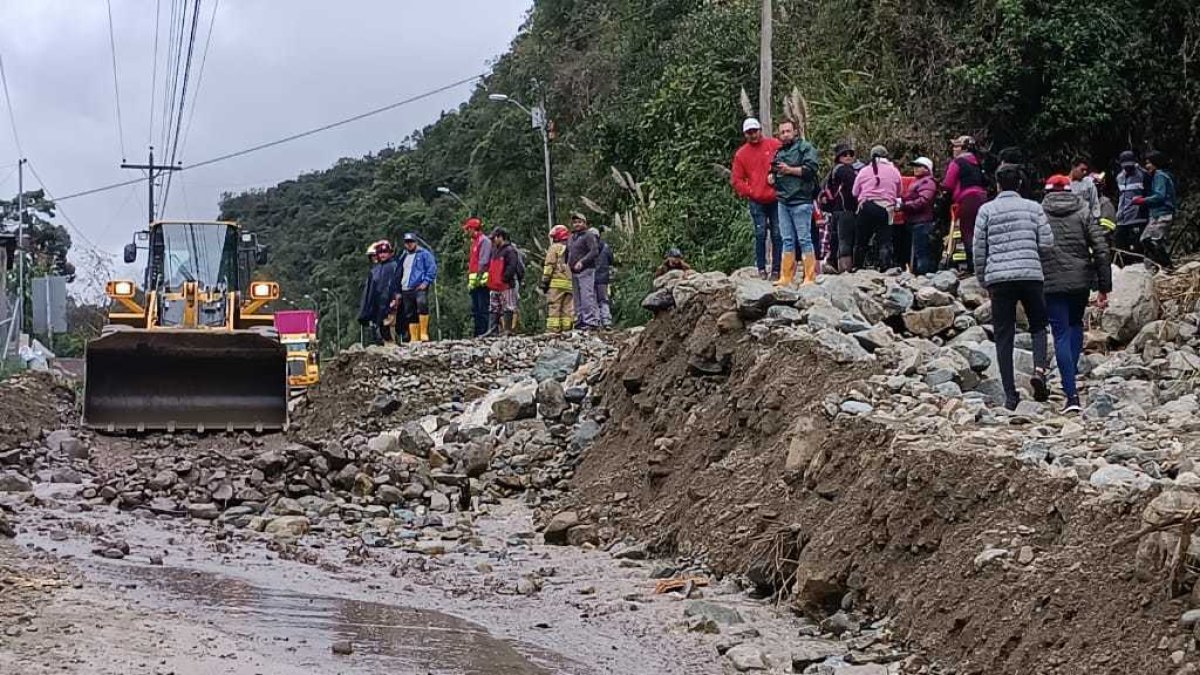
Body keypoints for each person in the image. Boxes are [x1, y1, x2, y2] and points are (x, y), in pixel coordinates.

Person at [973, 167, 1055, 410]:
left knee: (1003, 334)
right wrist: (1032, 255)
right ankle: (1039, 371)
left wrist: (982, 279)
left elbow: (978, 249)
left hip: (999, 278)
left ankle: (1010, 395)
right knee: (1039, 325)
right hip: (1030, 275)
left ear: (997, 184)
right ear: (1019, 183)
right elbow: (1048, 243)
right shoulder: (1033, 207)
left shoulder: (986, 210)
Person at [1040, 175, 1111, 414]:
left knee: (1059, 333)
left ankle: (1071, 394)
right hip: (1080, 280)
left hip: (1050, 280)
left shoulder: (1040, 212)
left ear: (1047, 191)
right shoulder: (1083, 210)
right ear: (1070, 190)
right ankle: (1072, 376)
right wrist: (1104, 286)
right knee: (1075, 324)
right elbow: (1101, 248)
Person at [731, 117, 783, 279]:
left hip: (775, 198)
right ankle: (761, 267)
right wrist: (751, 191)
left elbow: (785, 162)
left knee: (777, 233)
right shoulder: (741, 154)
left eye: (755, 131)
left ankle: (776, 269)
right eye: (749, 132)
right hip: (757, 200)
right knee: (760, 233)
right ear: (745, 134)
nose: (753, 135)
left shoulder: (774, 145)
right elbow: (736, 180)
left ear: (760, 130)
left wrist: (779, 180)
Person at [770, 118, 820, 286]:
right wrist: (772, 176)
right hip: (783, 200)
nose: (785, 135)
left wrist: (789, 170)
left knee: (804, 238)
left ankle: (810, 276)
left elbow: (810, 170)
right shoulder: (779, 152)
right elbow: (773, 171)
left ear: (795, 132)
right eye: (782, 132)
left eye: (788, 131)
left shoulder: (805, 148)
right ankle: (786, 276)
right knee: (787, 239)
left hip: (801, 200)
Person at [852, 145, 903, 271]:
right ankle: (885, 267)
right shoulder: (894, 171)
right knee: (884, 239)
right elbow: (899, 191)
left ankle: (857, 267)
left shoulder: (864, 171)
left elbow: (854, 192)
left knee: (861, 240)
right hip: (885, 209)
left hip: (866, 207)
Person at [942, 135, 989, 269]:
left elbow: (948, 184)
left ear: (963, 148)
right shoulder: (978, 163)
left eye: (956, 146)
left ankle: (972, 264)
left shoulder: (957, 162)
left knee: (967, 231)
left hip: (967, 199)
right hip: (982, 198)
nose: (953, 149)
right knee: (980, 231)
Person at [819, 143, 859, 272]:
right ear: (838, 157)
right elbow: (856, 187)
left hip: (835, 211)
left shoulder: (833, 170)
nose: (848, 156)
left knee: (835, 239)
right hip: (845, 210)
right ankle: (845, 269)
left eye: (850, 154)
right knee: (845, 240)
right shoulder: (845, 170)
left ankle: (832, 264)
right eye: (844, 154)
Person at [1134, 151, 1176, 270]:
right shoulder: (1163, 175)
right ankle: (1152, 268)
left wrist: (1142, 200)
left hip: (1162, 214)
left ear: (1156, 163)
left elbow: (1159, 196)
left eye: (1149, 163)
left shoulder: (1159, 175)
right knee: (1146, 240)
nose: (1147, 166)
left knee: (1152, 241)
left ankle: (1167, 267)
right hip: (1157, 214)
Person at [357, 239, 401, 346]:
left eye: (385, 252)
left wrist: (396, 298)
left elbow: (397, 284)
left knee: (389, 327)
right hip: (379, 307)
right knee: (381, 330)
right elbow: (371, 292)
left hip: (391, 304)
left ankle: (393, 349)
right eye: (380, 253)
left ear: (390, 253)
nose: (382, 255)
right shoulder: (375, 270)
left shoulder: (394, 266)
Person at [397, 233, 438, 342]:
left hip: (419, 286)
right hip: (406, 287)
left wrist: (426, 282)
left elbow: (432, 268)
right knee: (410, 312)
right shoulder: (403, 256)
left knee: (422, 305)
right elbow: (399, 271)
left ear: (416, 242)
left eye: (411, 242)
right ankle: (414, 336)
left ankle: (423, 332)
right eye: (407, 242)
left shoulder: (424, 254)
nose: (409, 244)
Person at [901, 157, 938, 274]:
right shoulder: (916, 182)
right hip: (914, 221)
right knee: (916, 252)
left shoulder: (928, 182)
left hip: (922, 222)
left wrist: (904, 206)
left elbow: (923, 201)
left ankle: (924, 276)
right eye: (915, 166)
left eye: (919, 166)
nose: (915, 169)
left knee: (922, 253)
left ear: (927, 169)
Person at [566, 213, 601, 329]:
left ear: (584, 223)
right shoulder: (571, 237)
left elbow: (594, 251)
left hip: (586, 270)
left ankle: (590, 321)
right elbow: (568, 252)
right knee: (577, 297)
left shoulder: (589, 235)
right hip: (573, 272)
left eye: (579, 222)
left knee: (587, 296)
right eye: (575, 222)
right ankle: (579, 319)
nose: (577, 224)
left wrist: (582, 262)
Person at [1114, 151, 1149, 263]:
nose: (1128, 168)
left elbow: (1149, 195)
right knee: (1120, 248)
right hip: (1121, 219)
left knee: (1137, 249)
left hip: (1138, 218)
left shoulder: (1143, 174)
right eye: (1125, 166)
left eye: (1130, 165)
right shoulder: (1119, 177)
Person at [487, 228, 522, 335]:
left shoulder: (510, 250)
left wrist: (505, 278)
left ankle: (508, 329)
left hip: (506, 284)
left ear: (501, 237)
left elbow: (512, 266)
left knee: (509, 306)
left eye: (494, 238)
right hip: (495, 285)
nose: (493, 241)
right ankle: (493, 330)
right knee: (494, 307)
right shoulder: (494, 250)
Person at [541, 225, 574, 333]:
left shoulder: (554, 248)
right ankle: (566, 328)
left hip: (556, 283)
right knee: (567, 307)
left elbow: (549, 265)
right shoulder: (571, 247)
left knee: (554, 305)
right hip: (569, 283)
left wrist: (545, 280)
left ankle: (553, 329)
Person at [463, 217, 492, 337]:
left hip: (482, 281)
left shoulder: (484, 241)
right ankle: (478, 332)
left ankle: (484, 332)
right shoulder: (474, 242)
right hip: (475, 281)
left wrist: (479, 277)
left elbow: (484, 261)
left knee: (483, 307)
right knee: (476, 309)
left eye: (468, 229)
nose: (466, 232)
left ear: (473, 229)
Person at [1067, 159, 1100, 225]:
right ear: (1073, 168)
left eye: (1086, 170)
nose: (1084, 172)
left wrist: (1095, 220)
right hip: (1070, 222)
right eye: (1082, 170)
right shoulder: (1065, 183)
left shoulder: (1088, 182)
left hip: (1086, 221)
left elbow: (1095, 203)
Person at [593, 229, 614, 328]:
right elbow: (611, 260)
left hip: (590, 278)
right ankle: (606, 321)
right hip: (603, 278)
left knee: (593, 300)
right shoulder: (606, 247)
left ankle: (596, 321)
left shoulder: (586, 248)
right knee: (604, 300)